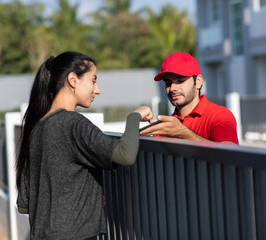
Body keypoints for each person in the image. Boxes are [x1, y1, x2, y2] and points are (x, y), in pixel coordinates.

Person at [16, 51, 153, 240]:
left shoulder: (37, 127)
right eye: (93, 80)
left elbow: (25, 203)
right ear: (73, 79)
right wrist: (134, 117)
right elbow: (125, 154)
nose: (97, 90)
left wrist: (90, 196)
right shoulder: (73, 123)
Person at [140, 52, 239, 144]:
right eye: (168, 83)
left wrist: (183, 134)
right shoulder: (166, 126)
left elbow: (232, 155)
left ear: (198, 81)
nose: (172, 88)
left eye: (180, 81)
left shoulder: (219, 116)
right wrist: (134, 117)